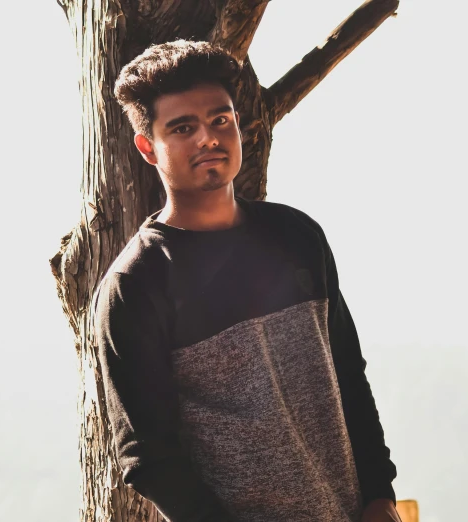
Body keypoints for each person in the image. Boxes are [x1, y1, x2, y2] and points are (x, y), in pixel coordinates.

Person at [93, 40, 400, 522]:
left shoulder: (297, 235)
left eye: (220, 120)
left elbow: (347, 373)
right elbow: (148, 455)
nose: (208, 138)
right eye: (183, 128)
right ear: (148, 147)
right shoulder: (136, 284)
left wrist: (380, 495)